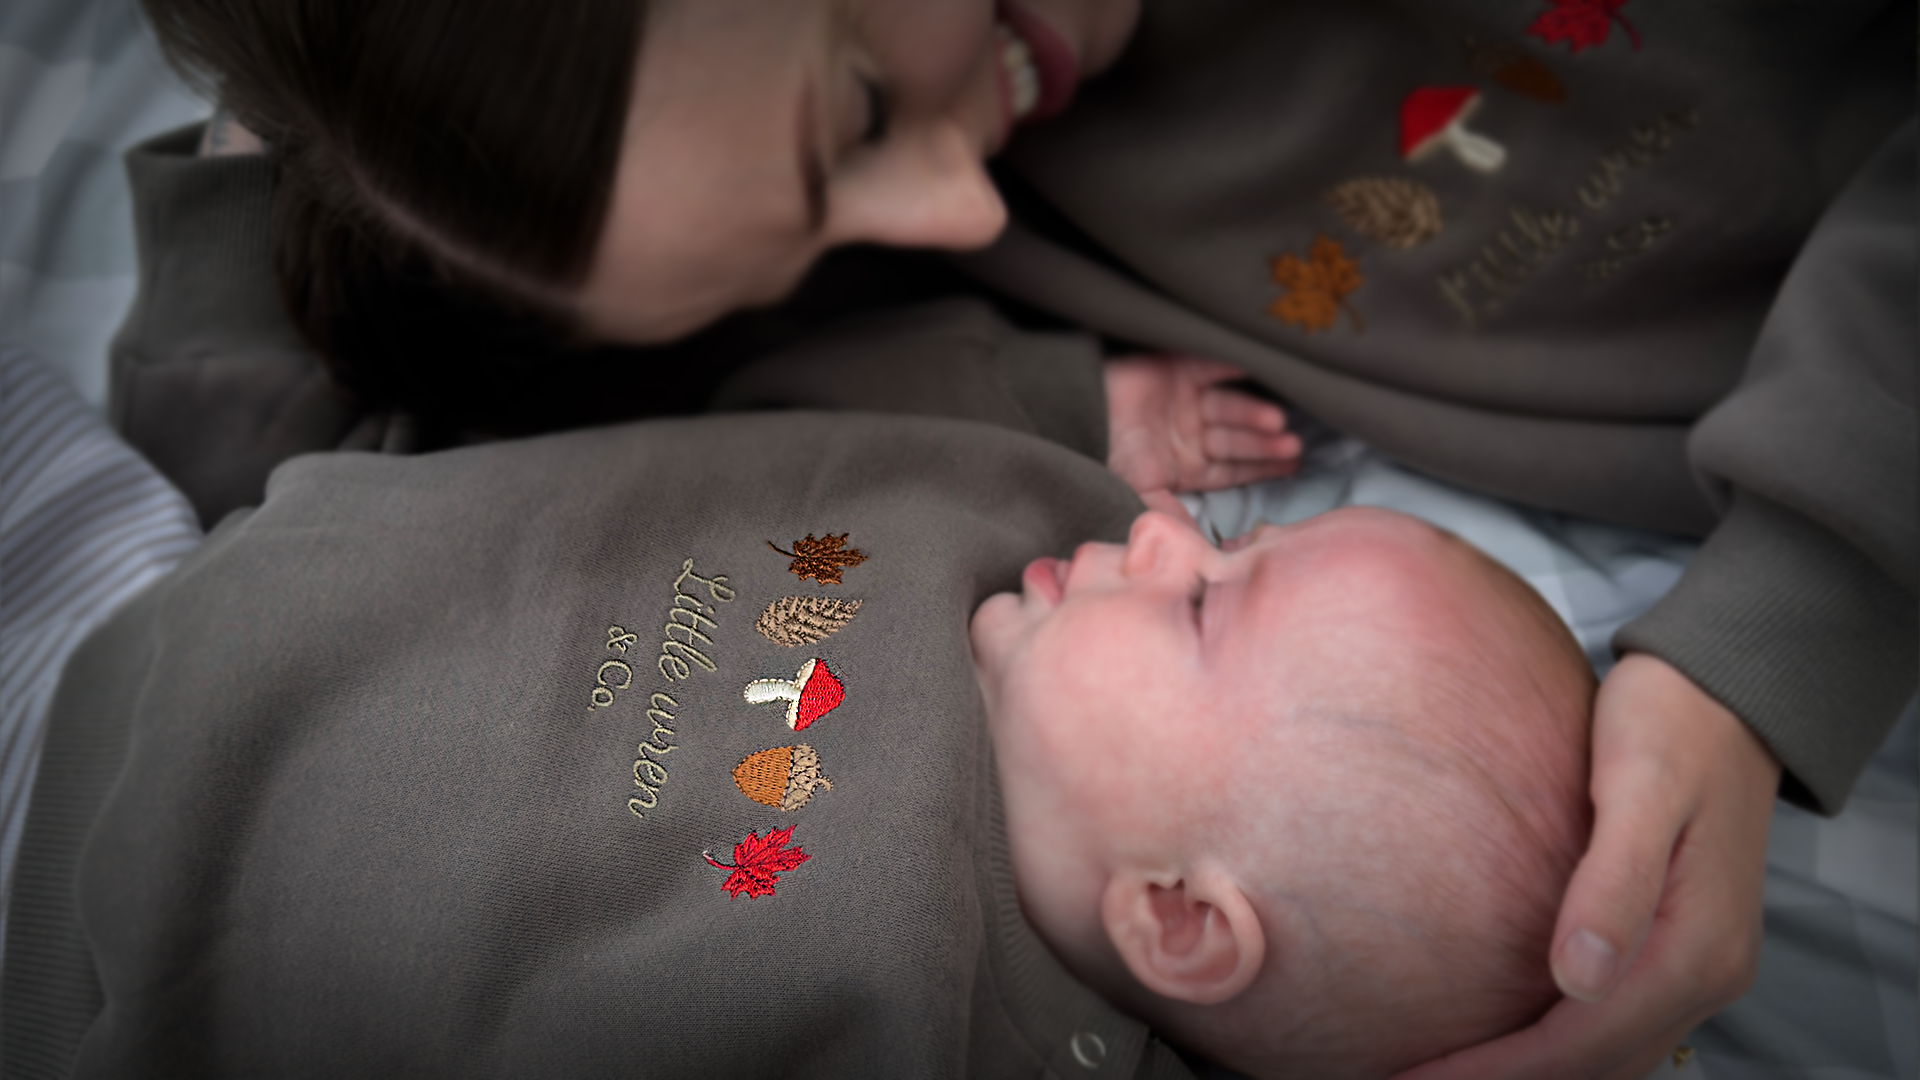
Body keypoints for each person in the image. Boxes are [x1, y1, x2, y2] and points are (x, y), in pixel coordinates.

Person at [117, 1, 1916, 1074]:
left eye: (856, 103)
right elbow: (338, 459)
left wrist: (1802, 608)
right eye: (822, 217)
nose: (961, 200)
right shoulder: (904, 326)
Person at [5, 299, 1597, 1076]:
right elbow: (812, 399)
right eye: (1230, 542)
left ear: (1178, 918)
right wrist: (1065, 397)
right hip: (143, 571)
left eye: (1208, 610)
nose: (1173, 535)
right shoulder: (1035, 530)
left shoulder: (946, 1030)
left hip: (72, 940)